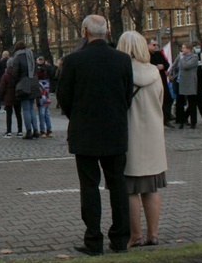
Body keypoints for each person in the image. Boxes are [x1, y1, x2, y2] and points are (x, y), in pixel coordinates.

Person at [57, 15, 133, 256]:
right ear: (107, 31)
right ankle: (121, 239)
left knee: (89, 187)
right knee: (118, 185)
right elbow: (127, 95)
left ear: (84, 32)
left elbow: (64, 97)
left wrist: (77, 116)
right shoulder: (122, 59)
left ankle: (93, 240)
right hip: (115, 130)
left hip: (85, 131)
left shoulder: (73, 61)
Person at [117, 31, 168, 248]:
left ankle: (135, 235)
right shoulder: (155, 73)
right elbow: (161, 101)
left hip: (130, 136)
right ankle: (153, 234)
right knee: (152, 188)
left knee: (131, 190)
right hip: (154, 136)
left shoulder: (121, 73)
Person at [11, 41, 38, 139]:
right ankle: (36, 130)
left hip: (24, 83)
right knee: (32, 108)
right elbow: (35, 69)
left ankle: (29, 131)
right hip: (33, 82)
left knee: (26, 108)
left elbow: (15, 73)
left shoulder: (17, 57)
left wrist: (17, 82)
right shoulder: (31, 55)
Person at [169, 43, 199, 128]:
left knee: (192, 102)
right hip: (179, 81)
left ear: (189, 49)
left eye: (184, 48)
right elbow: (174, 65)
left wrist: (182, 58)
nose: (182, 50)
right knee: (180, 102)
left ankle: (193, 122)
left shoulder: (194, 57)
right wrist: (170, 74)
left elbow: (186, 66)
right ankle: (181, 121)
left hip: (189, 82)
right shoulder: (180, 56)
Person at [148, 39, 174, 128]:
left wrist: (163, 66)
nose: (156, 47)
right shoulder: (146, 55)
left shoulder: (159, 54)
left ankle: (166, 119)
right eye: (153, 45)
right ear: (148, 45)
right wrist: (155, 67)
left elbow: (167, 64)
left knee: (168, 99)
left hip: (162, 80)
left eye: (156, 45)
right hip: (152, 81)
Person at [0, 64, 22, 137]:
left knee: (9, 115)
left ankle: (9, 131)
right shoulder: (19, 75)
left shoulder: (6, 75)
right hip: (17, 96)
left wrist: (1, 97)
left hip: (8, 97)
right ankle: (20, 131)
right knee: (18, 114)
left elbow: (2, 87)